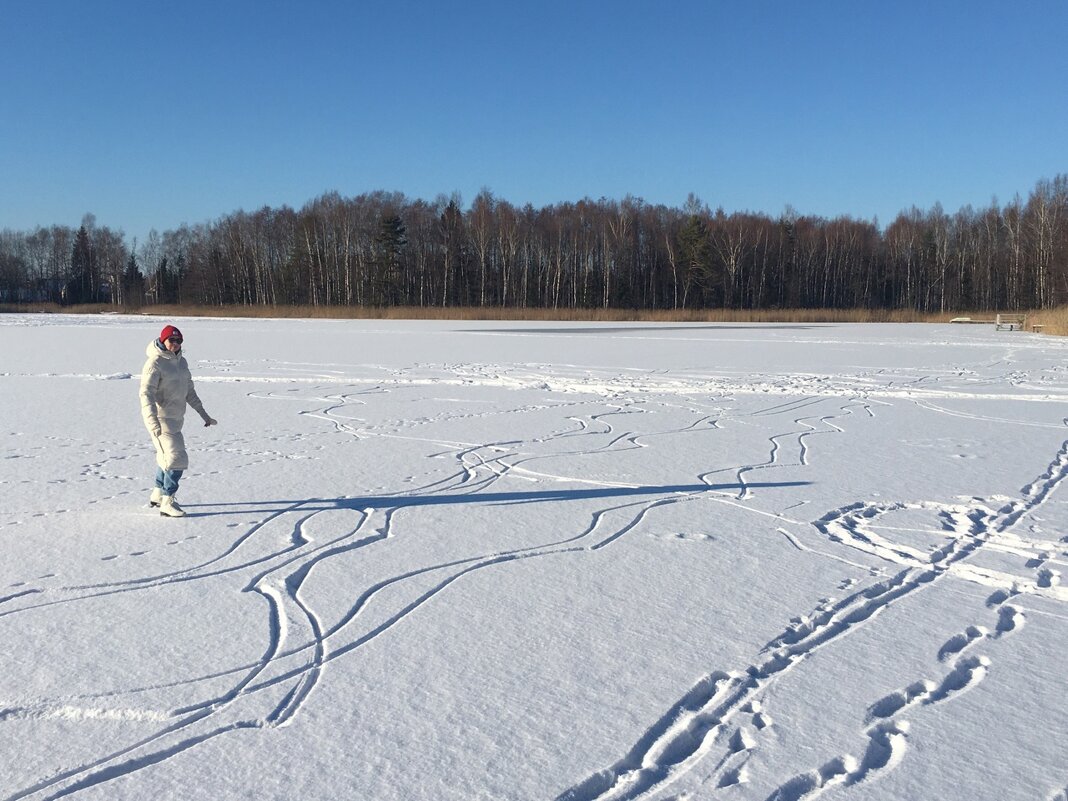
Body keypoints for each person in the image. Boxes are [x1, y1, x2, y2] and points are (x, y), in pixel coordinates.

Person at [139, 324, 217, 517]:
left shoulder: (181, 362)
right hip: (160, 420)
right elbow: (146, 394)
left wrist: (204, 414)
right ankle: (168, 501)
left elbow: (189, 391)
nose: (175, 344)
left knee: (165, 457)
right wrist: (152, 421)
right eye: (171, 340)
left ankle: (158, 493)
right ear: (163, 340)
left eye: (178, 340)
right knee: (176, 458)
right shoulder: (155, 363)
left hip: (176, 419)